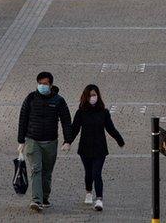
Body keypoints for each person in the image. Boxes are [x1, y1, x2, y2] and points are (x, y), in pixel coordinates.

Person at [17, 71, 73, 212]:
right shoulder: (30, 98)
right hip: (32, 140)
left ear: (51, 84)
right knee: (36, 169)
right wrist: (21, 140)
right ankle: (36, 200)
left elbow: (66, 121)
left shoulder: (58, 100)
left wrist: (67, 141)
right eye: (40, 83)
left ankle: (45, 197)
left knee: (47, 172)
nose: (42, 86)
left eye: (45, 84)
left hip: (50, 142)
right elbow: (23, 118)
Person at [70, 85, 125, 212]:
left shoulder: (104, 112)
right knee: (88, 172)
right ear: (85, 97)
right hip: (85, 148)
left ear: (98, 96)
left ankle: (99, 199)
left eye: (94, 95)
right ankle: (89, 192)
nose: (92, 97)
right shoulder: (81, 112)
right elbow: (75, 129)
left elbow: (110, 128)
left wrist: (119, 140)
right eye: (90, 95)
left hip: (100, 148)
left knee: (97, 173)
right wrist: (68, 141)